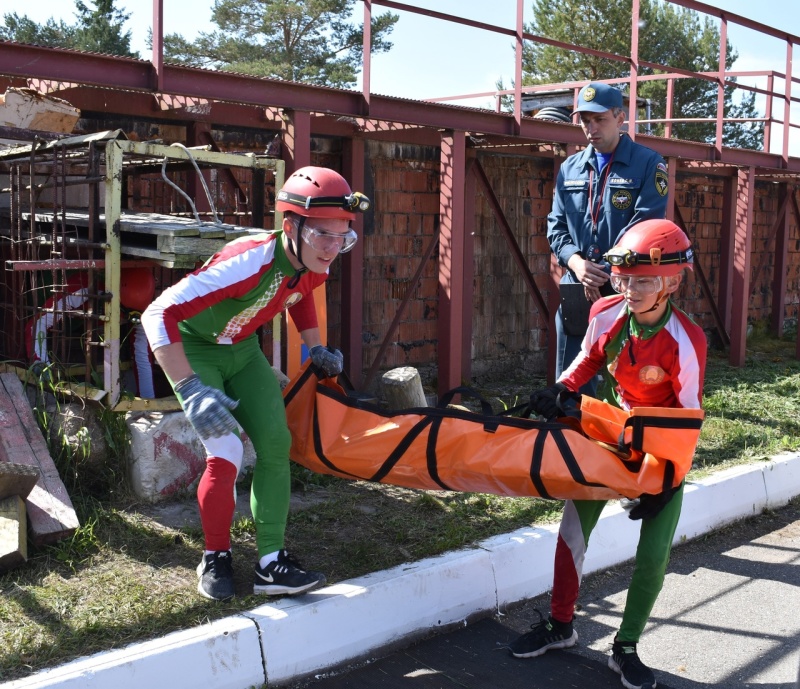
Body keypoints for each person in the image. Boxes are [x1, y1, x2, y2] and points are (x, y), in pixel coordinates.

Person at [141, 166, 369, 601]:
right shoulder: (247, 261)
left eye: (343, 237)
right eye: (324, 235)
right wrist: (188, 385)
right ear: (291, 226)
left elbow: (299, 297)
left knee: (275, 444)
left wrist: (315, 349)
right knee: (225, 451)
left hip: (243, 351)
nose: (334, 248)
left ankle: (270, 563)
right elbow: (157, 313)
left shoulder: (314, 260)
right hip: (196, 350)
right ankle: (215, 555)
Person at [509, 219, 706, 689]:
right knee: (572, 530)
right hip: (611, 436)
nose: (632, 290)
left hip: (661, 452)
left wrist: (671, 479)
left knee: (654, 556)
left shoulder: (687, 339)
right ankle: (560, 625)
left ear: (672, 282)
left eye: (645, 281)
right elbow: (589, 358)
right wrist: (562, 388)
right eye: (625, 280)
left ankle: (626, 646)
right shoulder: (605, 312)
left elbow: (688, 419)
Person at [548, 81, 669, 392]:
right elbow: (556, 226)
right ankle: (569, 434)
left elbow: (645, 226)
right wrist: (577, 265)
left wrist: (600, 270)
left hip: (627, 286)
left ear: (620, 117)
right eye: (585, 121)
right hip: (578, 285)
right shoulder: (569, 168)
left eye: (599, 119)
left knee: (630, 373)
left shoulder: (649, 163)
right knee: (571, 375)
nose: (591, 128)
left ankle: (626, 435)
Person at [26, 267, 158, 398]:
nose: (126, 318)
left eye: (134, 315)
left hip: (85, 322)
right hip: (45, 299)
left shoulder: (146, 307)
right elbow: (37, 324)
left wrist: (147, 400)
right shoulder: (81, 289)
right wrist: (40, 363)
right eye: (123, 312)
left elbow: (142, 350)